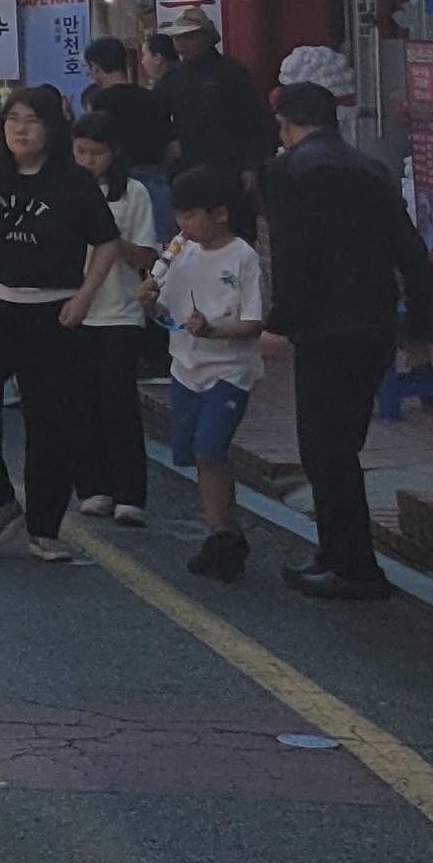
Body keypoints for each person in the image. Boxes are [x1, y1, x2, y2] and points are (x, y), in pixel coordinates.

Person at [262, 78, 433, 601]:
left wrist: (280, 322)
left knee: (325, 449)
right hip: (373, 322)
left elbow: (293, 257)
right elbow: (411, 250)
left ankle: (354, 565)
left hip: (324, 327)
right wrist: (419, 325)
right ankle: (336, 552)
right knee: (339, 444)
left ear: (287, 125)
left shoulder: (287, 172)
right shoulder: (370, 169)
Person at [0, 82, 121, 564]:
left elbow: (107, 241)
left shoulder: (72, 180)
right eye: (13, 120)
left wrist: (84, 298)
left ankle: (45, 529)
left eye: (32, 121)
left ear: (52, 129)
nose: (21, 130)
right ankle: (1, 498)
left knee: (51, 421)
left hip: (52, 310)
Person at [150, 167, 266, 582]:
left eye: (190, 216)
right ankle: (226, 533)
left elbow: (254, 321)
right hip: (186, 366)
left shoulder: (243, 257)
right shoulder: (181, 252)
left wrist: (214, 331)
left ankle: (220, 534)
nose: (182, 225)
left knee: (209, 449)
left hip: (229, 370)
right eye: (178, 216)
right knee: (194, 454)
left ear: (219, 213)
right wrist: (149, 301)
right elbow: (164, 307)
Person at [66, 105, 161, 525]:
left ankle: (129, 493)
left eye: (96, 153)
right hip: (73, 309)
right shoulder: (62, 188)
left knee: (118, 403)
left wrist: (110, 238)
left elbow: (147, 255)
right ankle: (92, 487)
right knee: (81, 402)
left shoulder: (132, 193)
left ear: (114, 153)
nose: (87, 161)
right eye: (81, 152)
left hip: (119, 310)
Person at [154, 9, 270, 188]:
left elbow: (254, 121)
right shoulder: (172, 75)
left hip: (229, 165)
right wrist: (169, 142)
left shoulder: (231, 71)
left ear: (206, 37)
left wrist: (251, 166)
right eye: (177, 38)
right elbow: (157, 115)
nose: (182, 43)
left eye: (189, 37)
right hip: (186, 166)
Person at [80, 33, 172, 223]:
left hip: (121, 182)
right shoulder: (152, 97)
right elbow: (171, 143)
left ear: (95, 67)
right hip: (158, 178)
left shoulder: (100, 101)